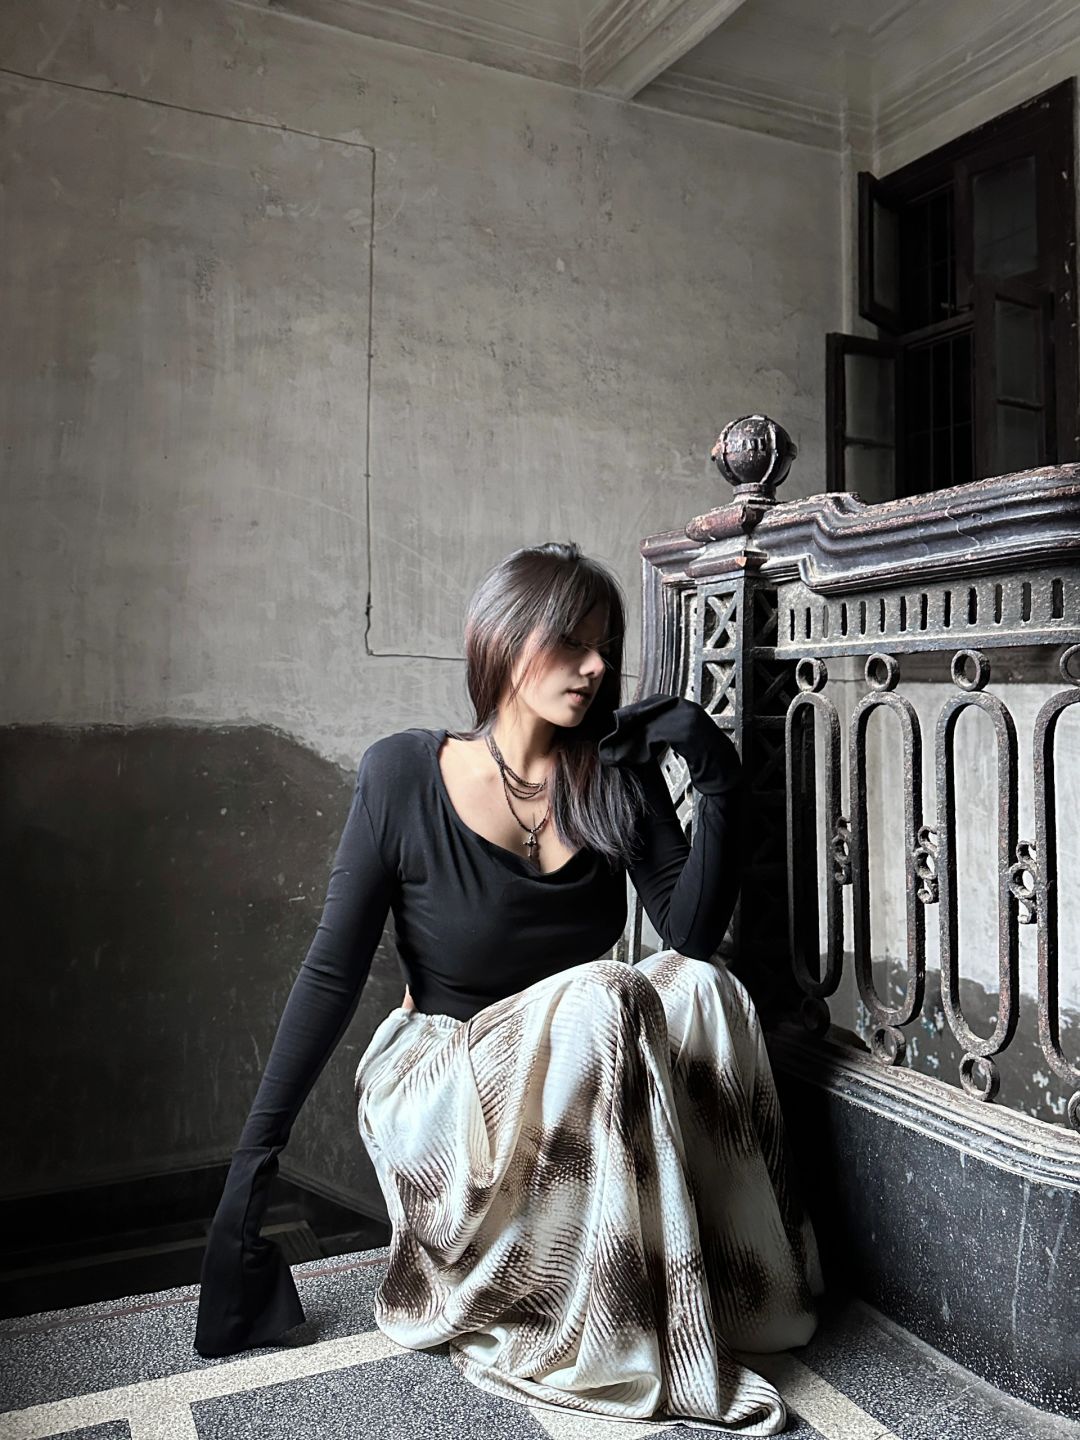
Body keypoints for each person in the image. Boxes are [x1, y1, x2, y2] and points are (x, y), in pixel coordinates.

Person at [194, 541, 822, 1434]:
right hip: (446, 1080)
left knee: (702, 987)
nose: (595, 666)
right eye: (571, 642)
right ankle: (595, 1332)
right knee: (605, 994)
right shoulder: (402, 774)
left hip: (576, 1082)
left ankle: (730, 1286)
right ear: (503, 637)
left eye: (605, 647)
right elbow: (331, 974)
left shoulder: (610, 776)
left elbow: (686, 937)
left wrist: (715, 776)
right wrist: (248, 1175)